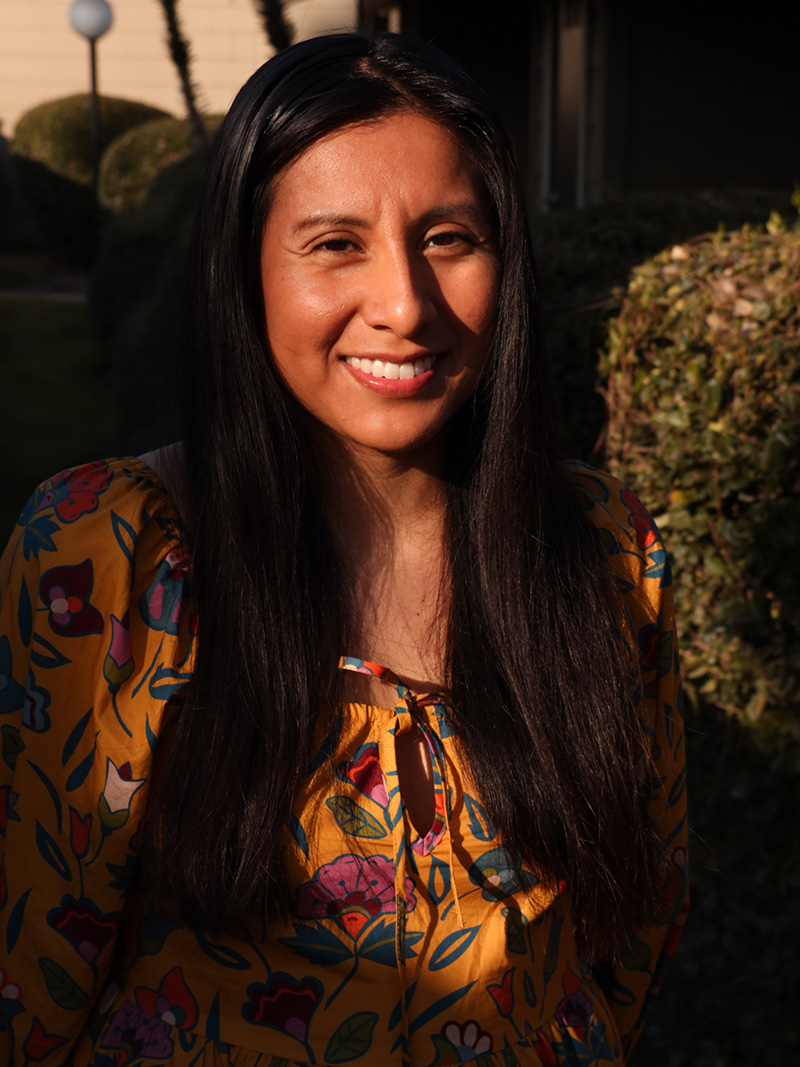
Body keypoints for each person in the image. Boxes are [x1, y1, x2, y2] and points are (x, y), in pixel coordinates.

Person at [0, 32, 688, 1067]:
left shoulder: (601, 550)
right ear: (245, 272)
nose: (404, 305)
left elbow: (633, 925)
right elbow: (30, 982)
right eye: (333, 243)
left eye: (449, 237)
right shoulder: (111, 557)